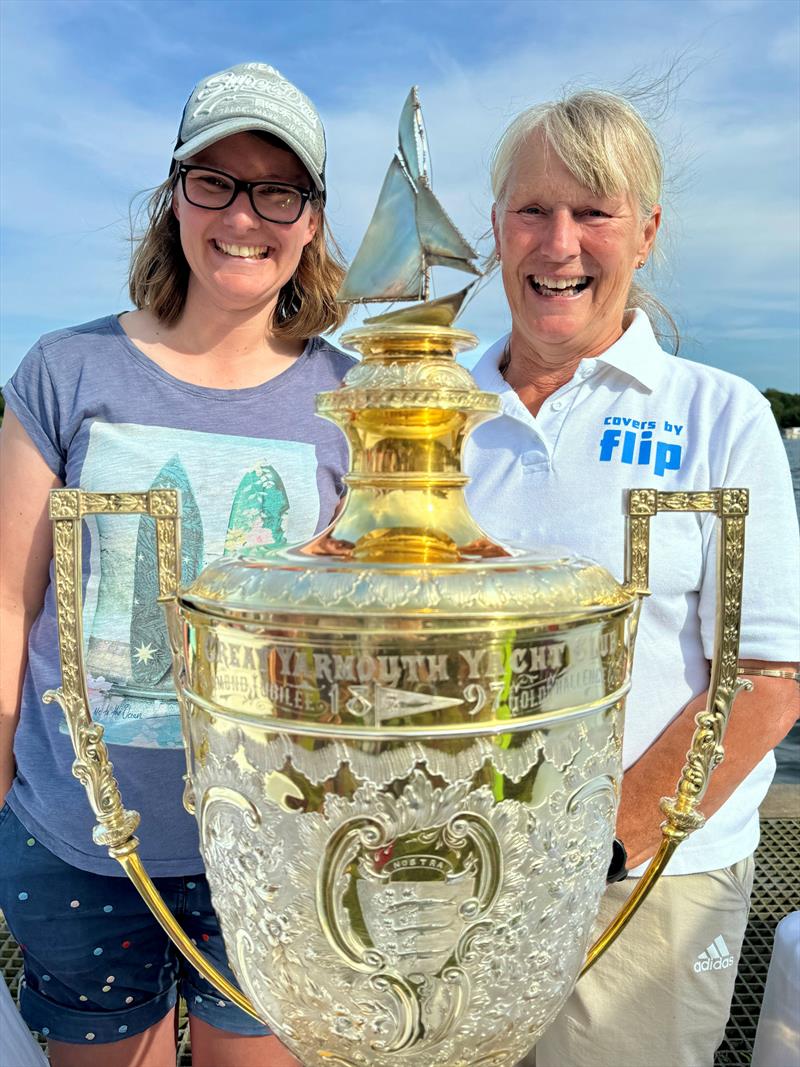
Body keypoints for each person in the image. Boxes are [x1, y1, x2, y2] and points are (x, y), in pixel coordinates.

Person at [0, 62, 355, 1067]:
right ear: (175, 197)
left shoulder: (350, 400)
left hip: (276, 848)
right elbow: (6, 600)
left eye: (276, 189)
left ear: (312, 219)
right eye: (216, 181)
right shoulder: (62, 372)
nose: (244, 216)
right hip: (79, 839)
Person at [463, 89, 800, 1066]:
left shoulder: (719, 415)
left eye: (592, 211)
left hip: (644, 883)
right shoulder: (436, 411)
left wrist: (600, 843)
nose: (557, 242)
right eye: (531, 209)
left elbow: (767, 679)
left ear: (642, 232)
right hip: (444, 878)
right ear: (494, 230)